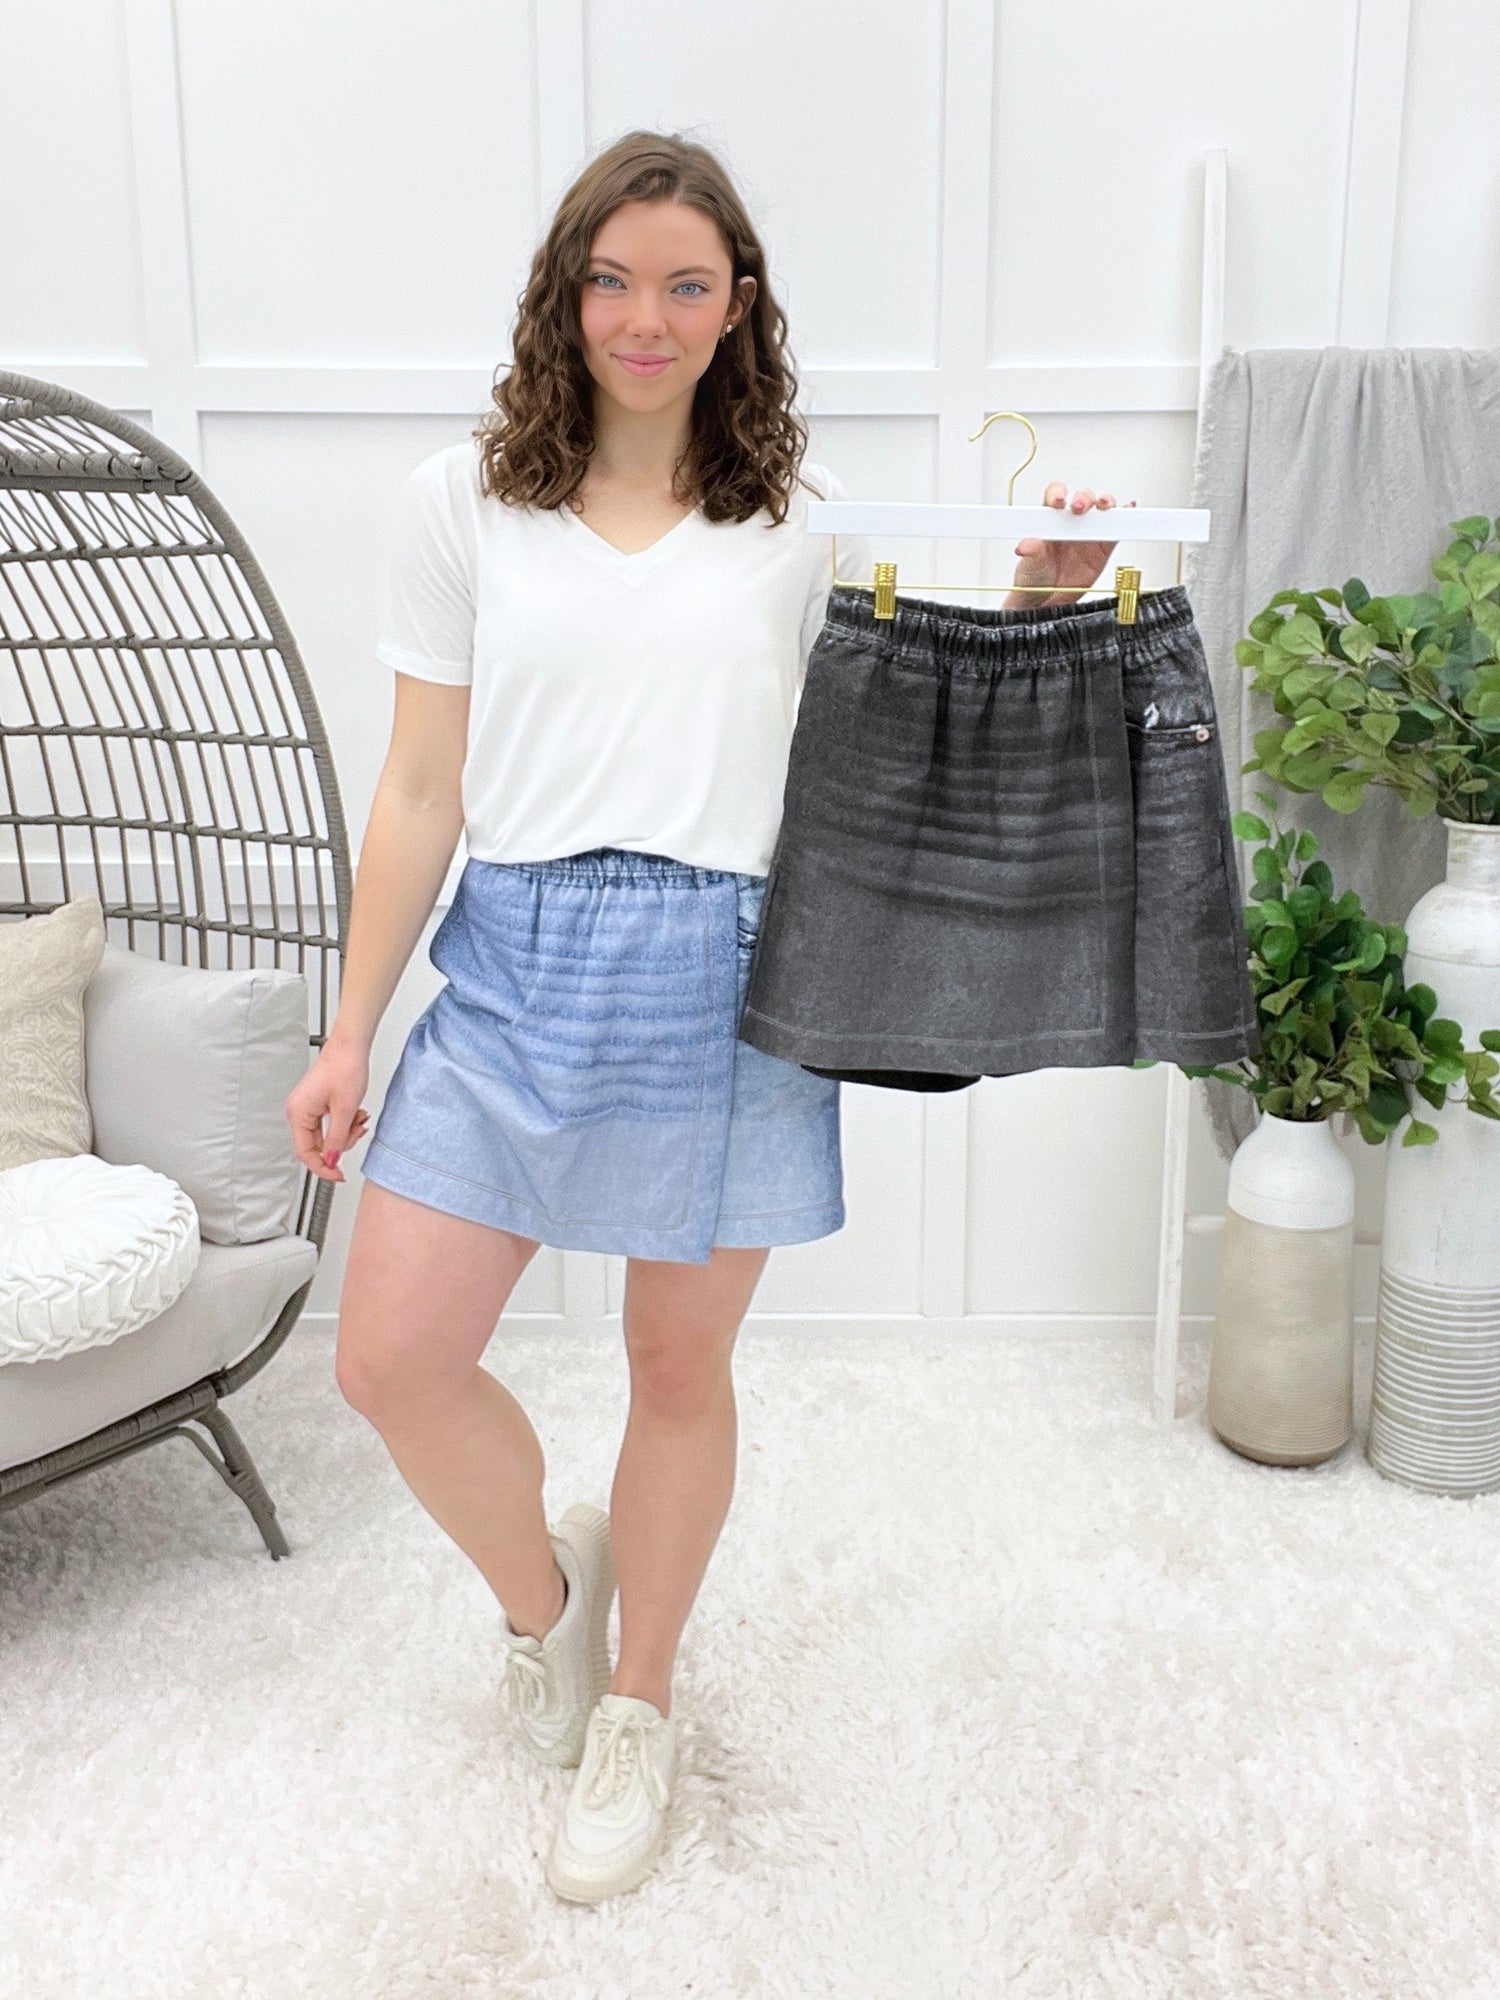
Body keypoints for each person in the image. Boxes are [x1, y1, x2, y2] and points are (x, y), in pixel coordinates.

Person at [284, 127, 1127, 1904]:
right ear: (565, 293)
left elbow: (911, 734)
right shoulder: (462, 501)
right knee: (390, 1359)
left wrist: (1038, 604)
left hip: (730, 972)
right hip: (514, 967)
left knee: (678, 1366)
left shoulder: (797, 524)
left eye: (685, 284)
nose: (645, 319)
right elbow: (420, 788)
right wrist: (350, 1032)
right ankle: (552, 1610)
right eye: (612, 281)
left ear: (739, 305)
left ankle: (642, 1703)